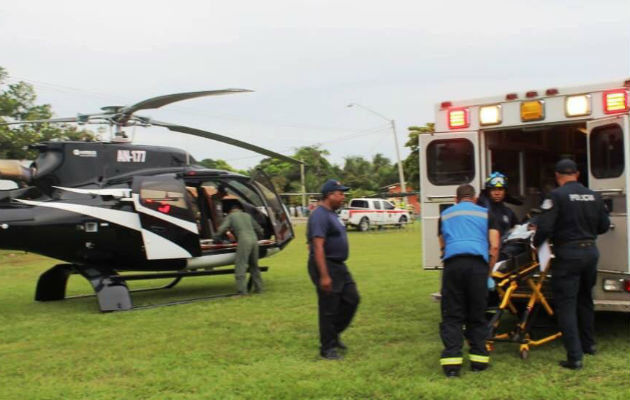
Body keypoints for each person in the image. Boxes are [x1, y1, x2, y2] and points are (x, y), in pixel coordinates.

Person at [533, 159, 610, 370]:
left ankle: (574, 357)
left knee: (566, 304)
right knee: (585, 299)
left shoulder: (556, 196)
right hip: (590, 251)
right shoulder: (594, 196)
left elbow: (545, 227)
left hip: (568, 253)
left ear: (558, 176)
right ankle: (589, 345)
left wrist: (535, 243)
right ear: (577, 174)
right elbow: (604, 226)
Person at [438, 184, 500, 378]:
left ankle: (452, 365)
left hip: (453, 265)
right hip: (477, 267)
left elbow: (442, 245)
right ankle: (479, 361)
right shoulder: (486, 213)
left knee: (452, 314)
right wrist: (488, 272)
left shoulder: (445, 214)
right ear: (474, 199)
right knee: (477, 313)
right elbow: (495, 245)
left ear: (456, 199)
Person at [307, 179, 360, 360]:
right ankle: (327, 348)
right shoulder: (319, 215)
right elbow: (317, 246)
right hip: (326, 264)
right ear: (330, 195)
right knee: (329, 307)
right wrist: (324, 275)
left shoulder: (331, 214)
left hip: (339, 265)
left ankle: (333, 333)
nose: (343, 197)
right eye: (340, 194)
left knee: (352, 299)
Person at [213, 200, 265, 295]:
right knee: (254, 265)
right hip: (254, 240)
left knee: (240, 265)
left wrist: (215, 238)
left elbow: (222, 229)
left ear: (230, 210)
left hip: (244, 241)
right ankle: (259, 289)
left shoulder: (231, 216)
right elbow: (258, 229)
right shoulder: (247, 215)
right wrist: (262, 237)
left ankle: (242, 292)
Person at [477, 172, 519, 239]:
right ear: (488, 191)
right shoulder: (481, 209)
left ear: (505, 191)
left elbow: (517, 228)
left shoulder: (508, 212)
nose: (497, 193)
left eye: (500, 189)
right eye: (493, 189)